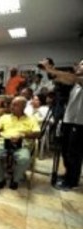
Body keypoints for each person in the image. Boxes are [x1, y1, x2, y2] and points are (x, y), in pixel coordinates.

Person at [39, 58, 83, 189]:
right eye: (79, 63)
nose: (79, 65)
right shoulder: (76, 82)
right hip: (69, 120)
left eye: (82, 64)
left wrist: (50, 68)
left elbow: (72, 78)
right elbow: (62, 79)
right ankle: (68, 175)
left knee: (73, 152)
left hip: (79, 123)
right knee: (65, 150)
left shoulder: (79, 80)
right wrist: (50, 72)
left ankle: (72, 182)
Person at [0, 96, 40, 190]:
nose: (11, 106)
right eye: (11, 104)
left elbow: (37, 133)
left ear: (23, 107)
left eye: (15, 105)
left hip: (22, 145)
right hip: (4, 143)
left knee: (24, 159)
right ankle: (0, 179)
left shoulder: (31, 119)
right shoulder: (4, 117)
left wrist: (23, 135)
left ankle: (15, 180)